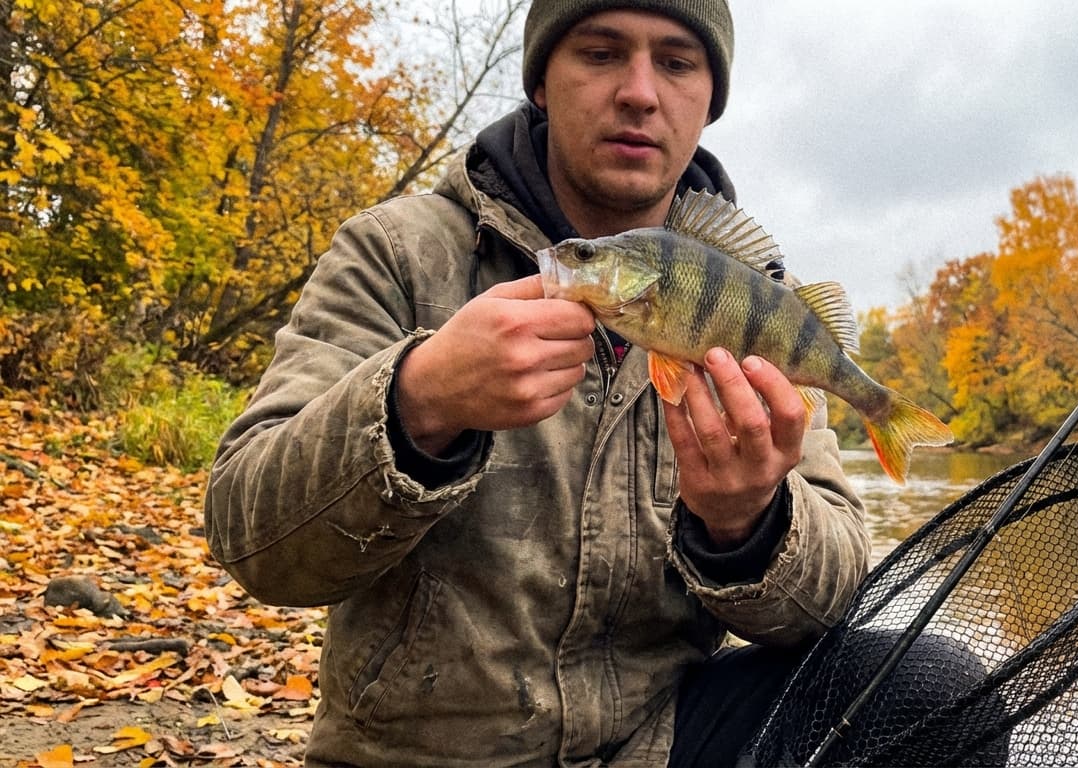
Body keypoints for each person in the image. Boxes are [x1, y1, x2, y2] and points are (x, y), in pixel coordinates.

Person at [203, 1, 872, 765]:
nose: (640, 92)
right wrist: (416, 402)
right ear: (542, 83)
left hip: (663, 742)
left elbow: (837, 594)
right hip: (423, 754)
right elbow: (250, 539)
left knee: (926, 683)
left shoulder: (757, 299)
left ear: (709, 102)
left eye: (678, 62)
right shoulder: (398, 252)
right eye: (600, 52)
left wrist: (748, 526)